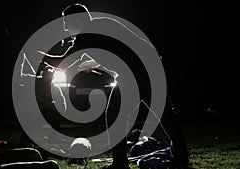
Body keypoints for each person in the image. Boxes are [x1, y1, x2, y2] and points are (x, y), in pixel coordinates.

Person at [37, 3, 189, 169]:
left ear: (77, 20)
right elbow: (121, 48)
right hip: (151, 68)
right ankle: (181, 157)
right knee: (165, 115)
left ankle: (120, 163)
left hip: (136, 75)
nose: (66, 28)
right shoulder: (102, 25)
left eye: (67, 23)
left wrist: (37, 56)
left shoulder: (86, 35)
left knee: (115, 116)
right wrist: (93, 63)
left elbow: (61, 62)